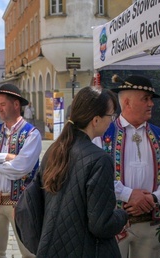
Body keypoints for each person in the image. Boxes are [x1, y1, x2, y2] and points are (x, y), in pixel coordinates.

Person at [32, 87, 128, 256]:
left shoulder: (54, 149)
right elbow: (101, 224)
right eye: (111, 116)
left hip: (51, 247)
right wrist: (123, 216)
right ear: (96, 120)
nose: (111, 121)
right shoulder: (100, 160)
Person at [97, 75, 160, 258]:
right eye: (145, 99)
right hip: (113, 224)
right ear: (127, 103)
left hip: (151, 225)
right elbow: (95, 178)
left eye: (151, 99)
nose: (151, 104)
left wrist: (153, 198)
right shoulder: (103, 136)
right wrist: (127, 194)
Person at [0, 84, 42, 258]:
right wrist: (5, 157)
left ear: (16, 104)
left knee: (29, 252)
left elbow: (20, 168)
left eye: (3, 104)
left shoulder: (31, 134)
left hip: (21, 202)